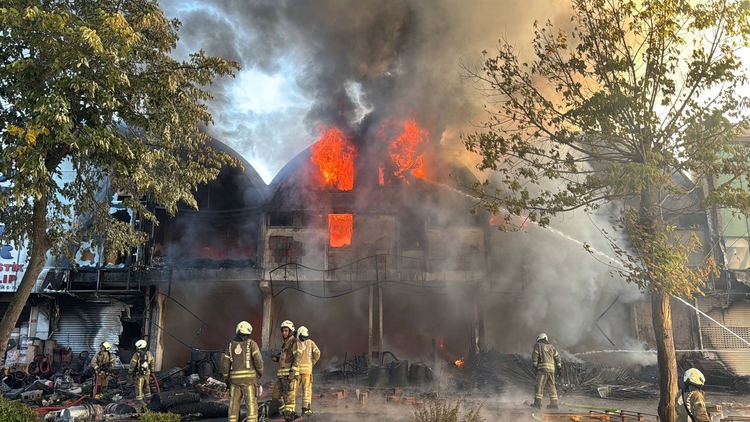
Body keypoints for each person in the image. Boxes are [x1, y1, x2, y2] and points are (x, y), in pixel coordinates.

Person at [222, 321, 264, 422]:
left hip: (234, 382)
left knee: (233, 406)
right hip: (249, 382)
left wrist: (226, 377)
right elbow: (258, 360)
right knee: (251, 405)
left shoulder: (230, 346)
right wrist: (260, 371)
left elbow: (225, 363)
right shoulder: (252, 344)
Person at [271, 320, 302, 422]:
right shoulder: (285, 344)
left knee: (289, 399)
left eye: (286, 331)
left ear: (291, 331)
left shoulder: (295, 342)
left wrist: (292, 373)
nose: (284, 333)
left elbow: (297, 358)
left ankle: (290, 417)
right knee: (275, 397)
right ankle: (285, 413)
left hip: (289, 377)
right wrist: (277, 359)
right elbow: (285, 358)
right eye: (283, 331)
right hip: (281, 376)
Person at [531, 333, 562, 409]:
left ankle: (537, 403)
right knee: (552, 386)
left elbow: (535, 355)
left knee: (540, 386)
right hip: (551, 370)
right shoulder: (552, 347)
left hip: (542, 370)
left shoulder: (538, 345)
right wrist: (559, 367)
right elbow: (558, 357)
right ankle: (554, 404)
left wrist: (535, 366)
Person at [296, 326, 320, 416]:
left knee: (293, 390)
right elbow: (317, 353)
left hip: (296, 371)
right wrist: (311, 363)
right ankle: (305, 409)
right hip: (307, 372)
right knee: (307, 390)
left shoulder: (295, 343)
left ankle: (290, 409)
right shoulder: (310, 343)